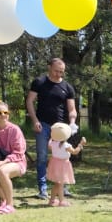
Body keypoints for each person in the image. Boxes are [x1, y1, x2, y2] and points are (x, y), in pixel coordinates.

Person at [26, 58, 77, 200]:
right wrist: (35, 120)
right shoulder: (39, 82)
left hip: (60, 129)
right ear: (49, 67)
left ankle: (63, 187)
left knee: (62, 156)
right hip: (43, 125)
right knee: (42, 156)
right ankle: (42, 189)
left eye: (61, 72)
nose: (59, 74)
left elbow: (72, 109)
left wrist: (72, 123)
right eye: (56, 71)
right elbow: (29, 101)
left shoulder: (67, 87)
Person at [45, 121, 82, 207]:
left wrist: (51, 137)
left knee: (57, 183)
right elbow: (75, 152)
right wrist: (80, 145)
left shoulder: (53, 143)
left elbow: (49, 145)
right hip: (63, 165)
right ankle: (61, 201)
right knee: (61, 183)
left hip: (54, 163)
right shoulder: (66, 145)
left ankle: (52, 200)